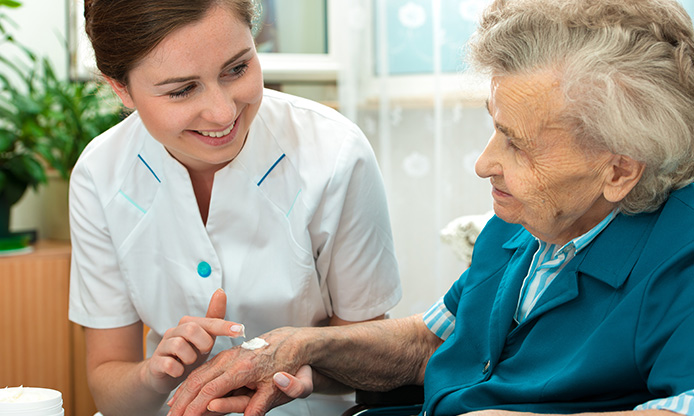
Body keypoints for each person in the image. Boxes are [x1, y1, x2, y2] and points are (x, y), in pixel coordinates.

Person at [164, 0, 694, 415]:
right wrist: (295, 348)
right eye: (494, 128)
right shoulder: (532, 222)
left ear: (620, 170)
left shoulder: (679, 254)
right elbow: (430, 341)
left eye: (518, 143)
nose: (485, 164)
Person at [67, 1, 402, 415]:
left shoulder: (335, 154)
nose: (223, 112)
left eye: (237, 69)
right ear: (121, 88)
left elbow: (374, 355)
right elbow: (108, 384)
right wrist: (154, 375)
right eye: (182, 90)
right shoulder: (100, 174)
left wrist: (298, 364)